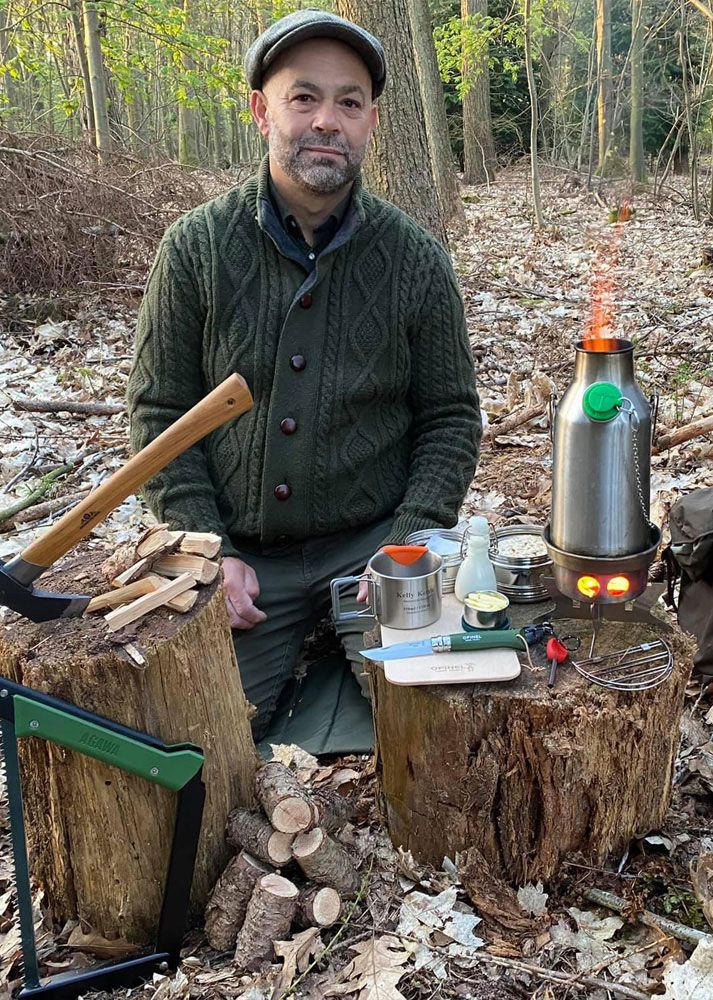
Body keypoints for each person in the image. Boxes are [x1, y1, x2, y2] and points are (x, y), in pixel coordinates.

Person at [126, 10, 482, 753]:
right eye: (304, 98)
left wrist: (410, 537)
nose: (328, 120)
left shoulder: (415, 258)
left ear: (371, 122)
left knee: (444, 734)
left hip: (373, 547)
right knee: (195, 744)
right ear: (262, 111)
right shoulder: (195, 248)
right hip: (241, 555)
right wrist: (207, 547)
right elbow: (160, 414)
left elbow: (449, 416)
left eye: (349, 103)